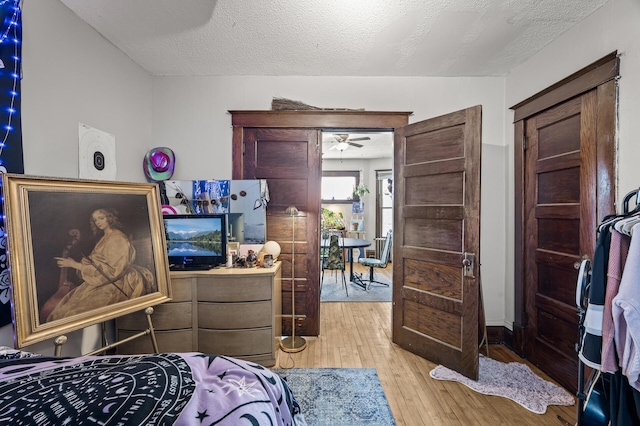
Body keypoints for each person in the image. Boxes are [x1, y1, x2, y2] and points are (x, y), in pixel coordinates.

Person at [45, 208, 155, 322]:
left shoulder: (118, 239)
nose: (98, 222)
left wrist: (75, 265)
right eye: (95, 220)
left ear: (110, 218)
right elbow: (101, 260)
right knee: (63, 310)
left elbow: (112, 271)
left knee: (75, 312)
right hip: (100, 279)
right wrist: (87, 261)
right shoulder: (105, 237)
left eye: (101, 218)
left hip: (117, 282)